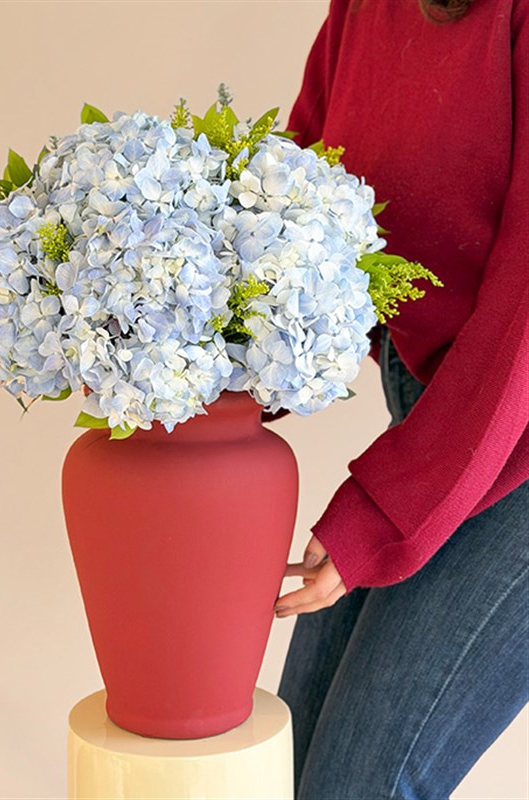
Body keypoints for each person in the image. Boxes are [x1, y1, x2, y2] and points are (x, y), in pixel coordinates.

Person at [265, 0, 529, 796]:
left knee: (357, 785)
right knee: (286, 767)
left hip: (509, 419)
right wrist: (196, 358)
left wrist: (382, 514)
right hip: (438, 407)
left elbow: (521, 316)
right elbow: (301, 185)